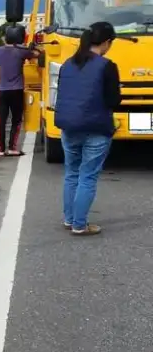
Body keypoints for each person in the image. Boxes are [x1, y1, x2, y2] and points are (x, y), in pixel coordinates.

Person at [54, 21, 121, 236]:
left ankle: (69, 219)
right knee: (88, 176)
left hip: (69, 127)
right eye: (111, 42)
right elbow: (113, 100)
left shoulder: (67, 64)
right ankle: (80, 225)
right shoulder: (107, 65)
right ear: (105, 42)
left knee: (71, 173)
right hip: (96, 127)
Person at [0, 25, 41, 156]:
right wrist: (31, 47)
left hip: (1, 91)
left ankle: (0, 149)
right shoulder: (22, 51)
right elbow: (38, 54)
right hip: (16, 91)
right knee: (16, 120)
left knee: (1, 120)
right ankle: (12, 148)